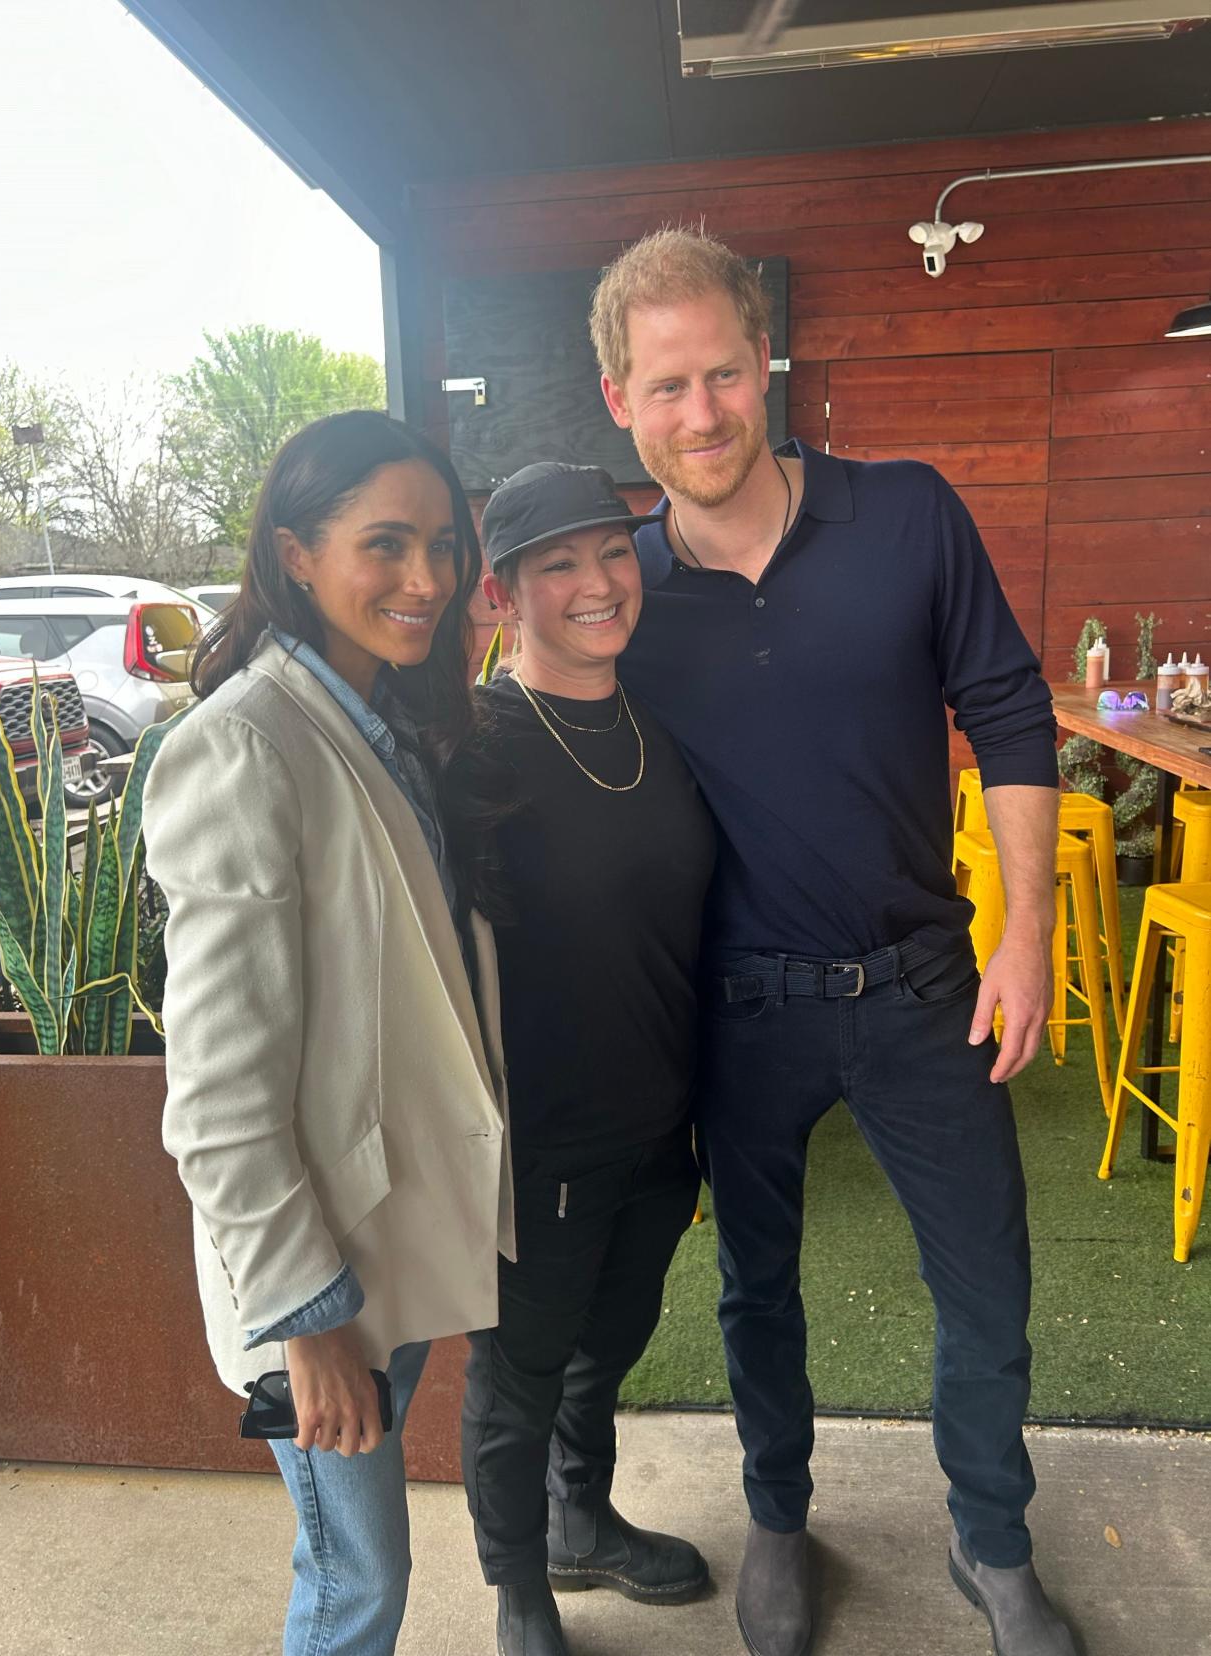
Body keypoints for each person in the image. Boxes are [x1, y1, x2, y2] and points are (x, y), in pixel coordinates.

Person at [588, 229, 1074, 1656]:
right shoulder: (615, 596)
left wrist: (1026, 934)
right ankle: (780, 1523)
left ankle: (989, 1540)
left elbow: (1007, 715)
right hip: (737, 1011)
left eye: (723, 373)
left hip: (926, 983)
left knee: (985, 1277)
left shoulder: (908, 515)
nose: (701, 413)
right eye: (665, 385)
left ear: (765, 362)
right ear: (617, 396)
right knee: (753, 1287)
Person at [143, 410, 515, 1656]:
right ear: (296, 554)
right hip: (319, 1282)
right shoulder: (245, 747)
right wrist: (306, 1326)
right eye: (386, 545)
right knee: (355, 1580)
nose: (426, 581)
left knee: (360, 1565)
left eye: (445, 547)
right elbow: (215, 1098)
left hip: (385, 1237)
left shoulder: (382, 716)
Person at [462, 461, 718, 1656]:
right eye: (555, 563)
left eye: (611, 552)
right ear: (505, 593)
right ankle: (519, 1586)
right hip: (540, 1139)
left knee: (607, 1345)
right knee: (520, 1372)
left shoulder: (652, 722)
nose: (595, 582)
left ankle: (582, 1519)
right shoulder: (475, 751)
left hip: (659, 1126)